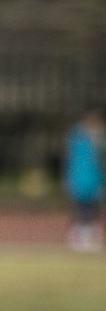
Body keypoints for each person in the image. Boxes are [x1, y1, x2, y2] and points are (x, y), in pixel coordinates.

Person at [65, 108, 103, 252]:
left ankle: (89, 236)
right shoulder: (78, 140)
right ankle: (80, 237)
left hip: (92, 181)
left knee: (92, 209)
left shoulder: (98, 143)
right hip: (82, 181)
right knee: (81, 209)